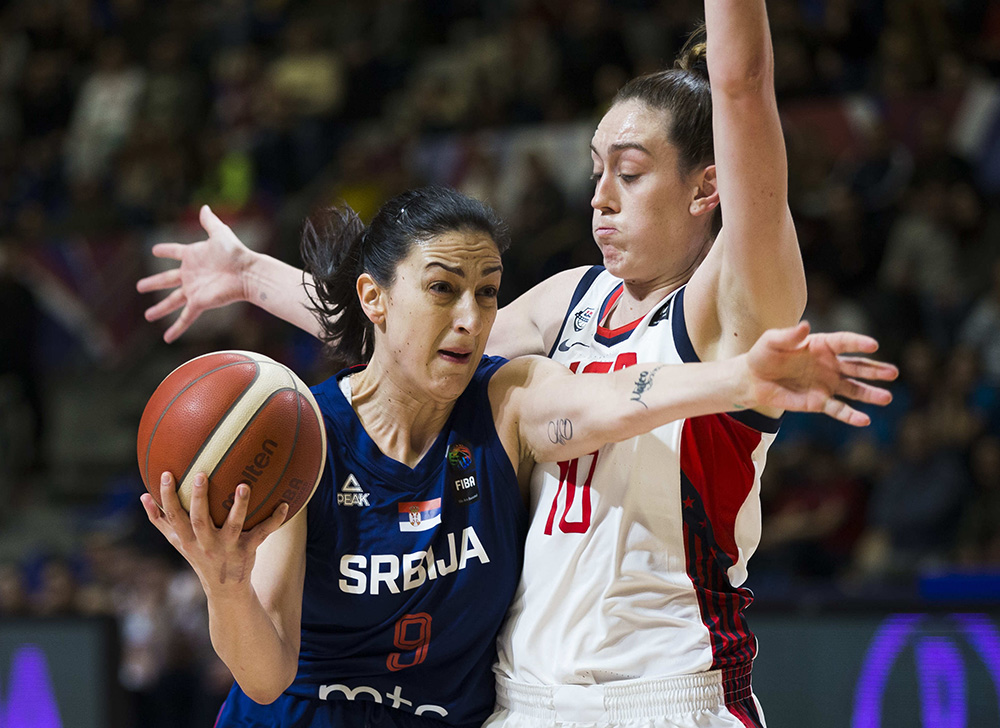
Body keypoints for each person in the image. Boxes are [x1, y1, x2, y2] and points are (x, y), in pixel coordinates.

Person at [136, 3, 855, 725]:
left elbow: (741, 85)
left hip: (662, 689)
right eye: (596, 169)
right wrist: (252, 275)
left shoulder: (734, 309)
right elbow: (418, 344)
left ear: (707, 188)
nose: (599, 197)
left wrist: (738, 378)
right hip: (523, 702)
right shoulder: (574, 298)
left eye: (630, 175)